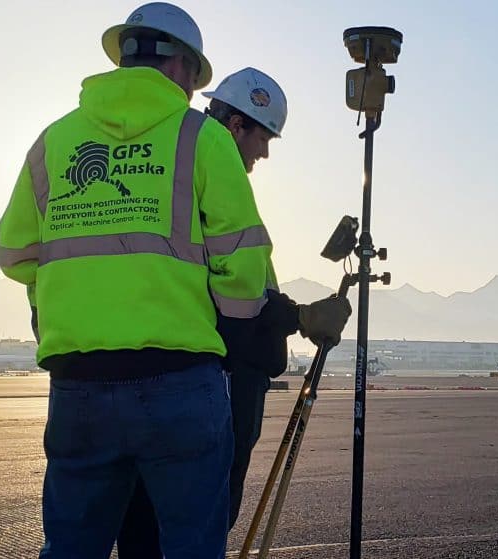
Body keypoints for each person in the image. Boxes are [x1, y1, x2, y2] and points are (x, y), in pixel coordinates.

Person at [0, 3, 345, 557]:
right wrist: (237, 331)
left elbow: (15, 254)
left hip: (78, 386)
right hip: (179, 381)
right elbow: (241, 270)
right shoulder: (199, 140)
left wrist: (60, 304)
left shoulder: (52, 142)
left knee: (72, 546)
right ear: (183, 67)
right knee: (186, 543)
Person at [114, 67, 351, 557]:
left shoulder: (167, 172)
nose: (263, 153)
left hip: (180, 377)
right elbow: (230, 297)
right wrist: (301, 318)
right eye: (263, 138)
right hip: (217, 379)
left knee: (145, 524)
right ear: (237, 124)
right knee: (197, 522)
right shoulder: (208, 175)